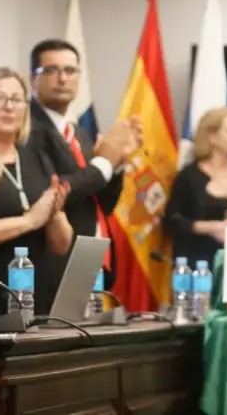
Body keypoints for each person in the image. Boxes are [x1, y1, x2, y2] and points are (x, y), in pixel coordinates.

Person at [28, 38, 142, 294]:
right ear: (33, 79)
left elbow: (101, 204)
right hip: (53, 260)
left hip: (88, 256)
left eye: (70, 70)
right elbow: (49, 190)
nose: (63, 78)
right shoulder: (26, 129)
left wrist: (117, 165)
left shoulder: (78, 132)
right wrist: (104, 163)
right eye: (52, 70)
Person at [0, 67, 73, 317]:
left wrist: (54, 213)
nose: (8, 106)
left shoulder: (35, 157)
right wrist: (29, 221)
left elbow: (61, 245)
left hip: (34, 299)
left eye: (16, 99)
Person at [165, 107, 227, 266]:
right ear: (212, 136)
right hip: (197, 263)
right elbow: (172, 220)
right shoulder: (189, 176)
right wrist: (210, 227)